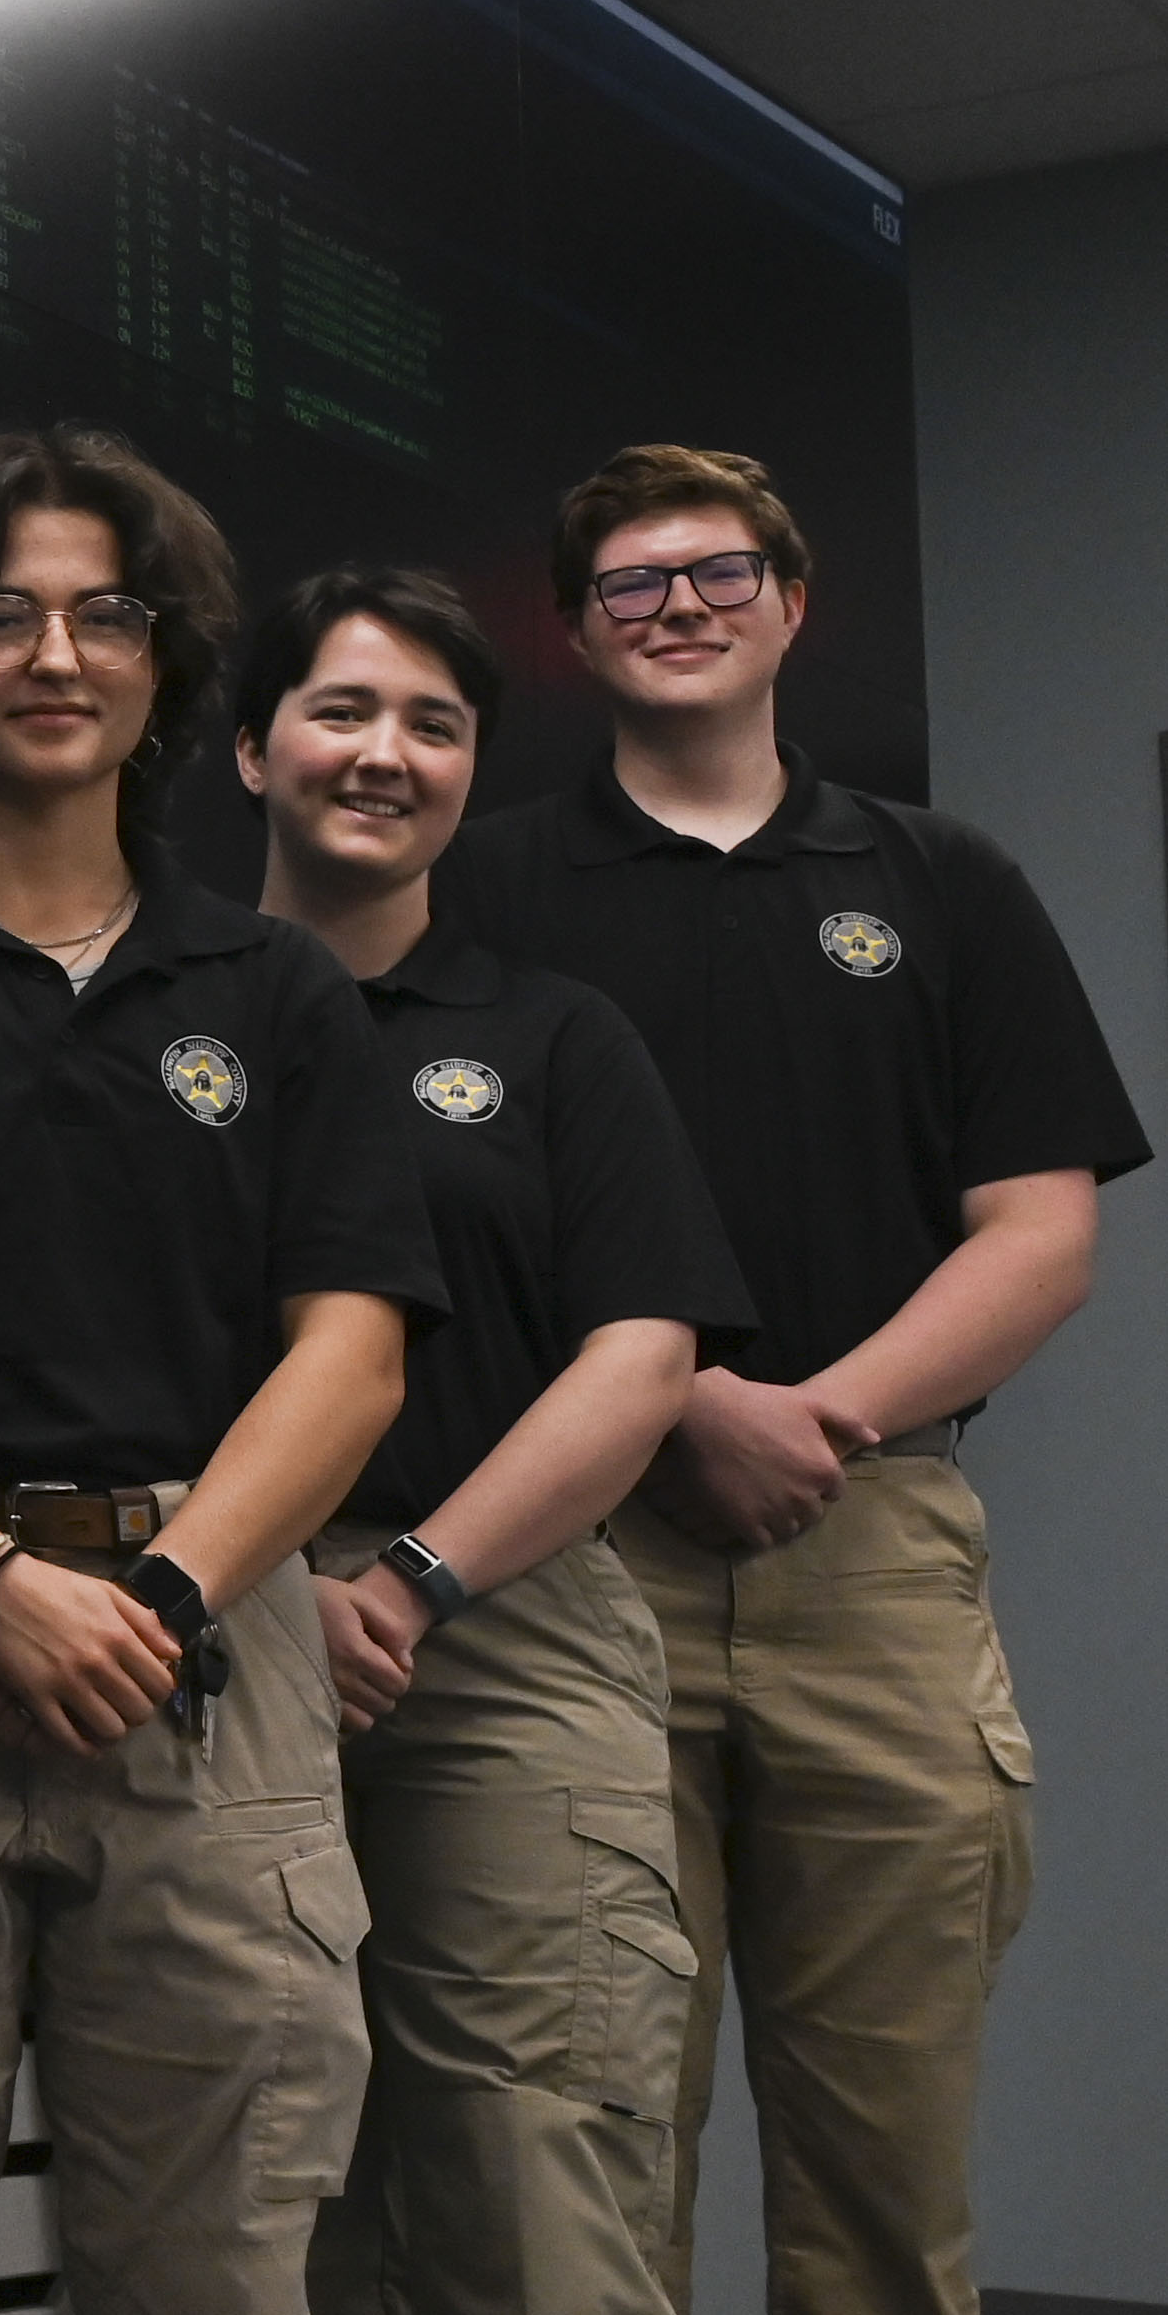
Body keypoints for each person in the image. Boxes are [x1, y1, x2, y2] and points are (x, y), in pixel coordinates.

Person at [0, 427, 441, 2315]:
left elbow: (353, 1354)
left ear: (167, 672)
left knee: (213, 2265)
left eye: (104, 616)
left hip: (206, 1656)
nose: (55, 655)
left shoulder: (273, 988)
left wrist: (161, 1594)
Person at [439, 447, 1145, 2315]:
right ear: (581, 636)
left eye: (718, 573)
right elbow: (436, 1229)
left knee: (884, 2166)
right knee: (586, 2137)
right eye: (631, 586)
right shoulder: (484, 887)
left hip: (877, 1551)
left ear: (794, 605)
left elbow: (1038, 1236)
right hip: (573, 1567)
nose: (678, 607)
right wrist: (682, 1402)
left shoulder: (941, 878)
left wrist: (811, 1419)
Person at [231, 568, 752, 2315]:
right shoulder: (158, 1019)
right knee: (236, 2171)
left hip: (495, 1636)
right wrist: (252, 1580)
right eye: (344, 711)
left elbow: (646, 1348)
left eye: (436, 727)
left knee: (532, 2166)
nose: (387, 755)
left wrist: (414, 1579)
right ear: (249, 750)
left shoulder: (553, 1037)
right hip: (197, 1624)